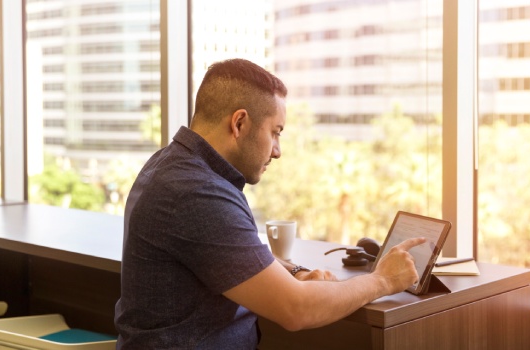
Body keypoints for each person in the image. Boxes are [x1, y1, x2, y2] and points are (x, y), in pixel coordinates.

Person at [114, 58, 425, 349]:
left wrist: (288, 273)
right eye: (275, 133)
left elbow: (222, 252)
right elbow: (297, 310)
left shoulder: (172, 165)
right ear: (239, 124)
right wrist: (383, 280)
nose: (277, 151)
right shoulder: (197, 192)